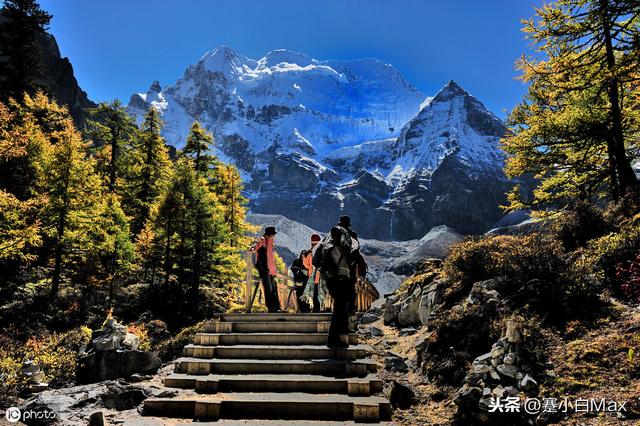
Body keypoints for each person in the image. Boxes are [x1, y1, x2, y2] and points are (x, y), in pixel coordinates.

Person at [313, 223, 358, 348]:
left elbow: (315, 262)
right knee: (339, 309)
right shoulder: (342, 246)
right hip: (340, 279)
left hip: (330, 280)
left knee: (340, 308)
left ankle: (340, 335)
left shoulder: (324, 245)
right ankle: (333, 339)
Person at [337, 216, 367, 313]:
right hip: (350, 265)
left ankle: (340, 308)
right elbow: (356, 249)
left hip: (338, 266)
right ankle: (350, 307)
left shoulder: (334, 234)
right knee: (350, 287)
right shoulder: (352, 234)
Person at [252, 226, 281, 313]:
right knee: (268, 288)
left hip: (270, 269)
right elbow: (256, 246)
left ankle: (275, 307)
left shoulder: (270, 242)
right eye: (273, 235)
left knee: (272, 288)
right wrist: (252, 248)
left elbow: (271, 258)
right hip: (264, 268)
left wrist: (273, 271)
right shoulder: (263, 239)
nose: (274, 236)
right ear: (269, 234)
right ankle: (271, 308)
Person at [301, 233, 322, 312]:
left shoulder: (308, 253)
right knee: (320, 293)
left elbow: (305, 265)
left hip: (312, 277)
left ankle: (315, 309)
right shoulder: (322, 252)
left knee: (314, 294)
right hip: (320, 277)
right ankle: (321, 308)